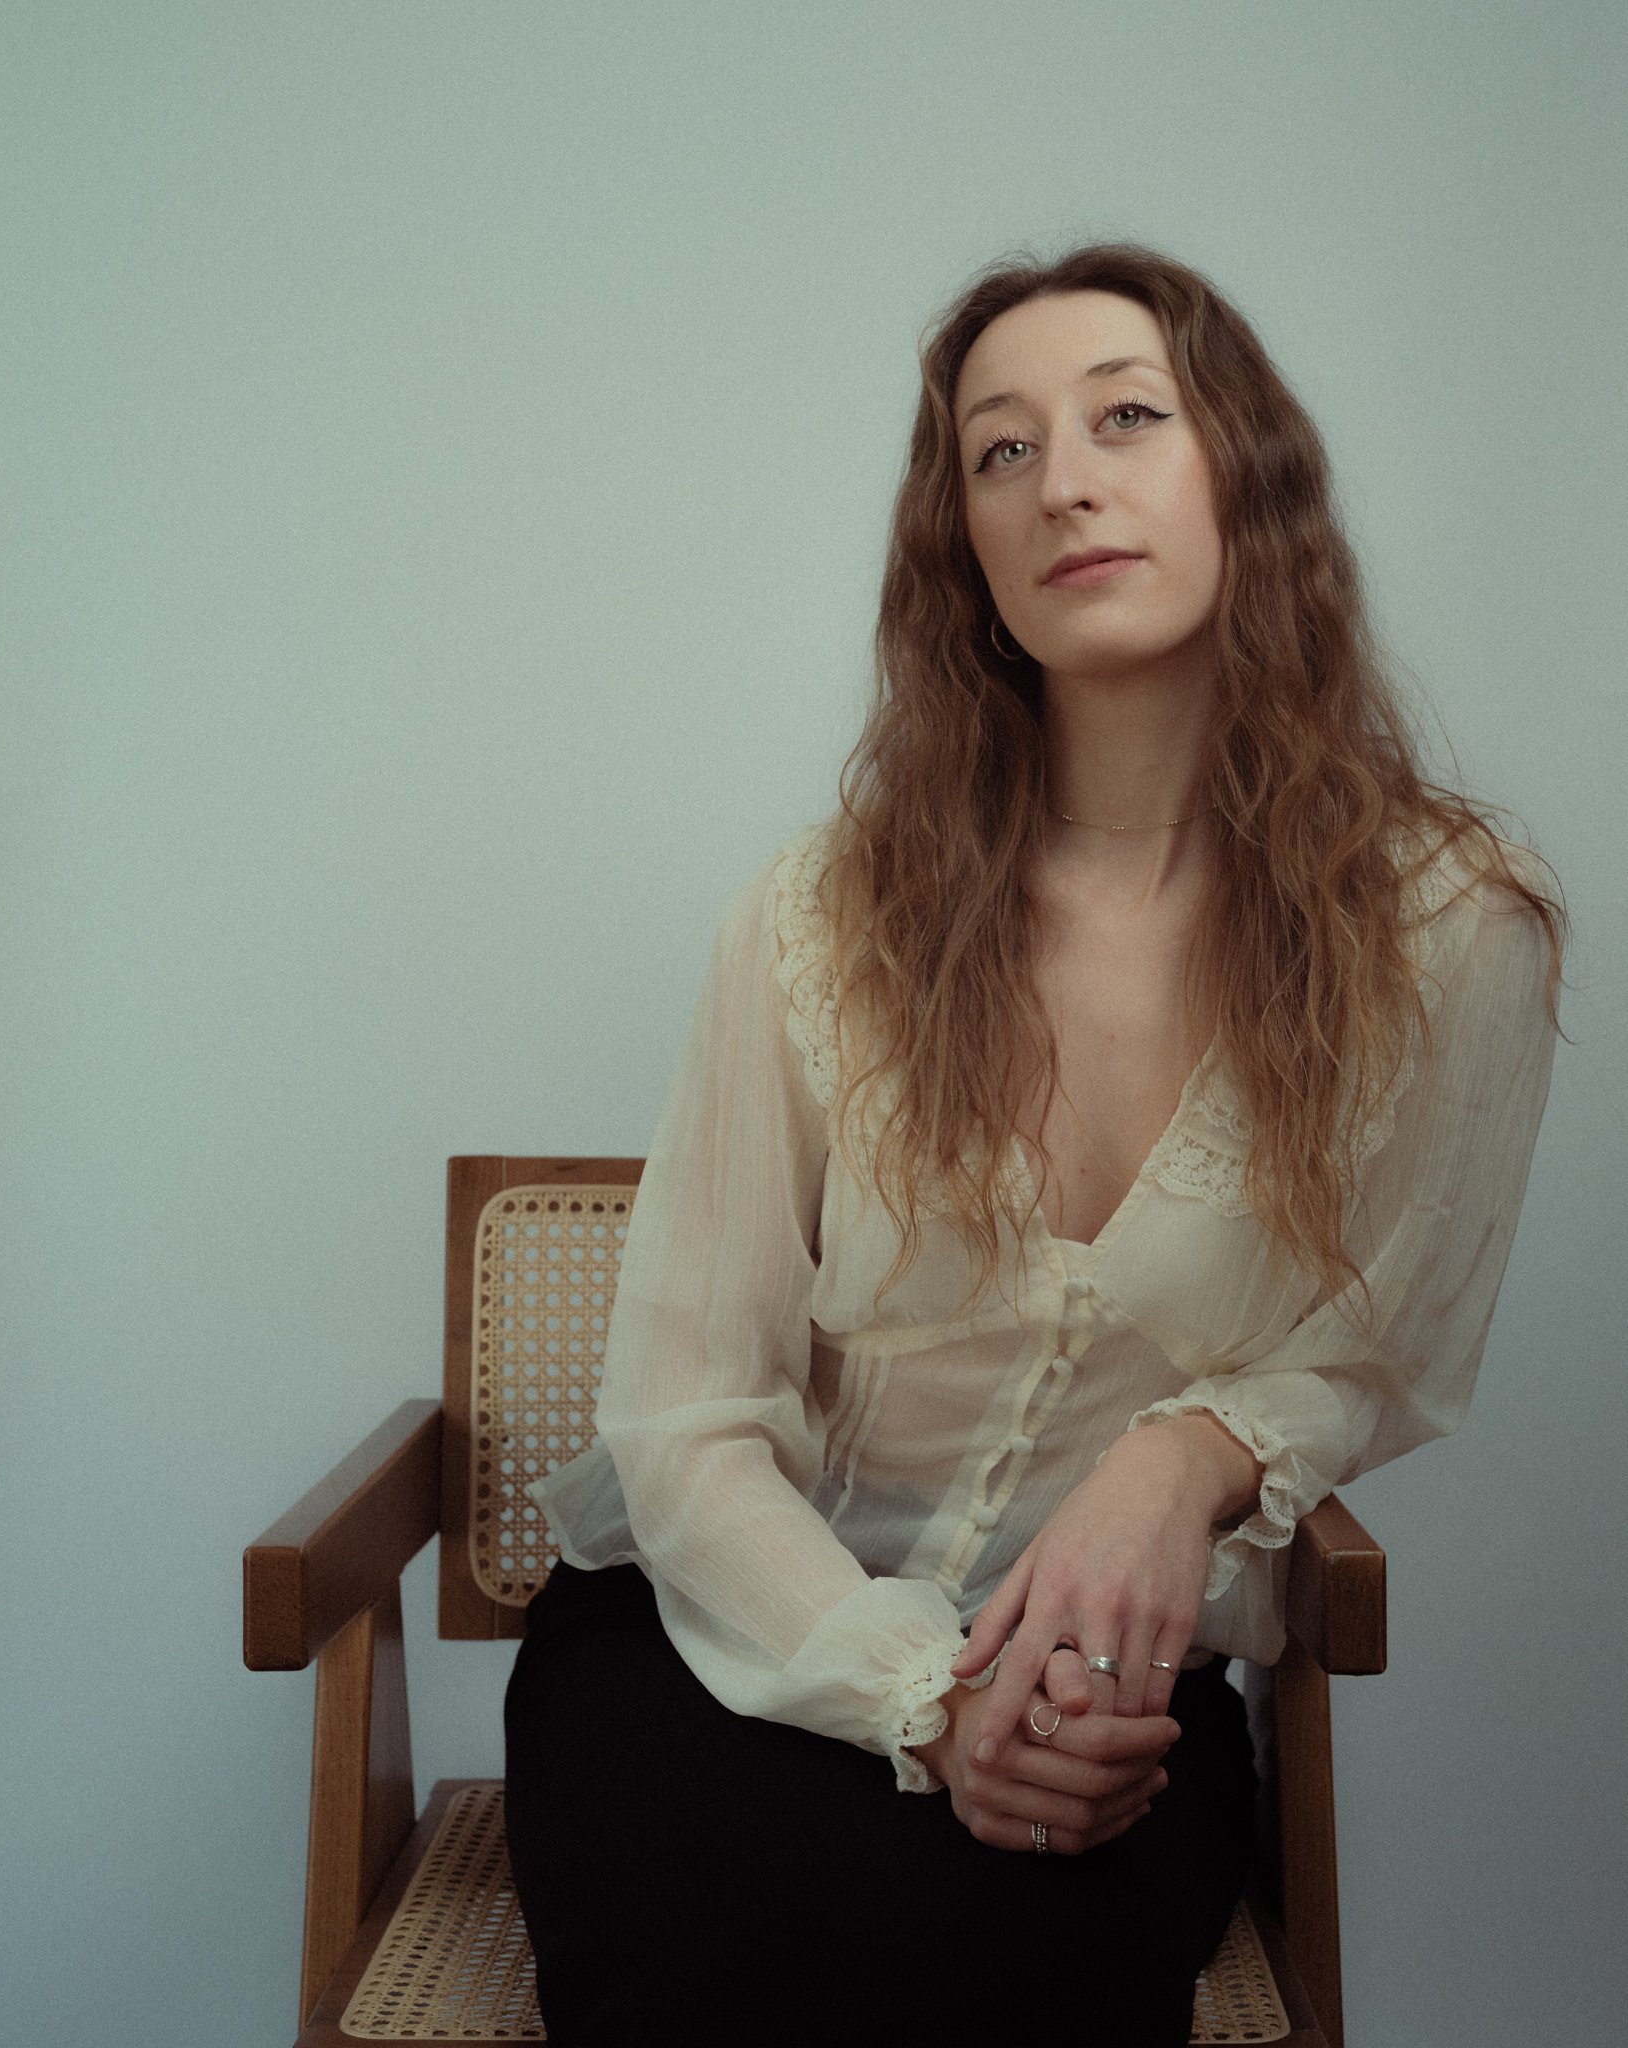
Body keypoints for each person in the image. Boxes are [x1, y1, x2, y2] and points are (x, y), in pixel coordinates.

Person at [502, 243, 1564, 2045]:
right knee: (703, 1968)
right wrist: (921, 1694)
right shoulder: (815, 921)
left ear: (1246, 471)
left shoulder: (1454, 928)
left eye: (1126, 417)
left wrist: (1186, 1454)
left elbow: (1384, 1352)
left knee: (993, 1982)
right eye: (998, 452)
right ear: (967, 558)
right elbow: (683, 1424)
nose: (1062, 476)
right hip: (723, 1651)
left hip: (1106, 1706)